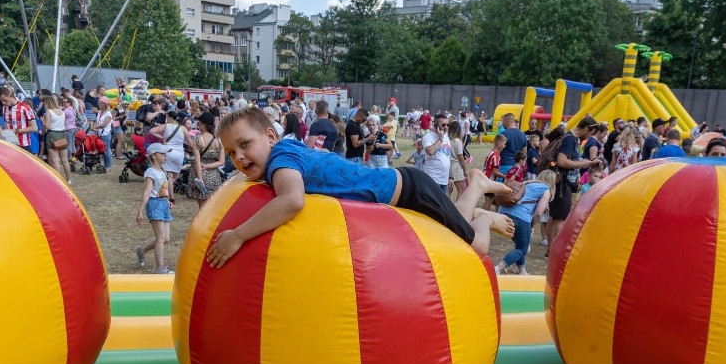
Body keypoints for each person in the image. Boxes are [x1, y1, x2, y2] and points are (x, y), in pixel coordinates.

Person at [207, 108, 515, 268]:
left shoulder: (281, 161)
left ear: (271, 137)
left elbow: (292, 201)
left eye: (245, 145)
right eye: (232, 153)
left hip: (410, 191)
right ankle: (472, 208)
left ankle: (479, 197)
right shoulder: (287, 153)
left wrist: (238, 235)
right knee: (450, 227)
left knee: (476, 247)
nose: (240, 157)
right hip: (401, 193)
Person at [546, 117, 602, 254]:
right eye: (589, 134)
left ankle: (550, 248)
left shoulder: (568, 137)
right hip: (563, 184)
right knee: (561, 218)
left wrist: (586, 161)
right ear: (586, 129)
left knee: (553, 217)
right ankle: (556, 250)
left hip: (559, 183)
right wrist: (582, 164)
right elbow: (562, 161)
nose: (588, 137)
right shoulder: (570, 140)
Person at [494, 170, 555, 276]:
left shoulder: (527, 182)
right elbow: (538, 213)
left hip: (503, 211)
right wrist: (531, 226)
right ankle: (498, 268)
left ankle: (521, 270)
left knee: (521, 245)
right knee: (523, 248)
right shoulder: (546, 190)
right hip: (520, 216)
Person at [135, 144, 174, 274]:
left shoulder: (162, 172)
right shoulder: (150, 172)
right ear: (154, 156)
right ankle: (160, 267)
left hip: (163, 204)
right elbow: (147, 192)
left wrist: (168, 200)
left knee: (166, 238)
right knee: (161, 237)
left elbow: (163, 189)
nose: (165, 156)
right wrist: (140, 211)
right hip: (154, 205)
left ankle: (142, 250)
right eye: (163, 154)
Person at [188, 112, 226, 208]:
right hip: (214, 176)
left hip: (200, 174)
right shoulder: (218, 140)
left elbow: (197, 161)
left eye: (199, 123)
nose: (198, 126)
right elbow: (222, 161)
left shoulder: (197, 139)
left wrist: (200, 178)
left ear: (204, 124)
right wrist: (208, 166)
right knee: (212, 206)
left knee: (202, 207)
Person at [41, 95, 72, 185]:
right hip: (62, 134)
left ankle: (59, 181)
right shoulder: (62, 112)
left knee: (55, 160)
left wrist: (42, 120)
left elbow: (46, 126)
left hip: (52, 134)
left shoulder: (48, 112)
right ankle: (69, 179)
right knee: (65, 159)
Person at [0, 86, 37, 151]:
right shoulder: (4, 108)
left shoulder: (25, 107)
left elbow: (34, 128)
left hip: (23, 144)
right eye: (1, 101)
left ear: (10, 95)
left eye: (4, 100)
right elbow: (7, 125)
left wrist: (16, 130)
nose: (3, 103)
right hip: (9, 143)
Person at [421, 114, 453, 192]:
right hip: (433, 179)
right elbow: (430, 151)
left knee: (442, 204)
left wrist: (451, 177)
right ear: (436, 124)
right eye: (443, 125)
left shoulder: (446, 137)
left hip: (444, 180)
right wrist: (440, 139)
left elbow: (448, 158)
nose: (446, 127)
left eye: (448, 125)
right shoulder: (428, 137)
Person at [482, 135, 506, 210]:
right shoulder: (496, 156)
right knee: (489, 200)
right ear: (499, 144)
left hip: (485, 177)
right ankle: (484, 216)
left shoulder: (491, 152)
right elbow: (495, 172)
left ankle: (482, 214)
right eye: (504, 144)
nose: (504, 146)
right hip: (490, 180)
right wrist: (505, 176)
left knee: (488, 200)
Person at [449, 122, 468, 200]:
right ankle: (457, 209)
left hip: (449, 166)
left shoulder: (447, 140)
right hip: (456, 167)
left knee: (449, 190)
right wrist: (465, 170)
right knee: (460, 190)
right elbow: (460, 157)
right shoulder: (457, 141)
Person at [95, 97, 114, 169]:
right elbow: (97, 121)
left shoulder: (108, 113)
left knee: (107, 150)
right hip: (100, 134)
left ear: (104, 104)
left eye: (100, 103)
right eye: (99, 103)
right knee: (103, 150)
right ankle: (105, 165)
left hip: (105, 134)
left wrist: (96, 127)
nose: (99, 104)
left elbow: (105, 124)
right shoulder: (100, 112)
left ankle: (109, 166)